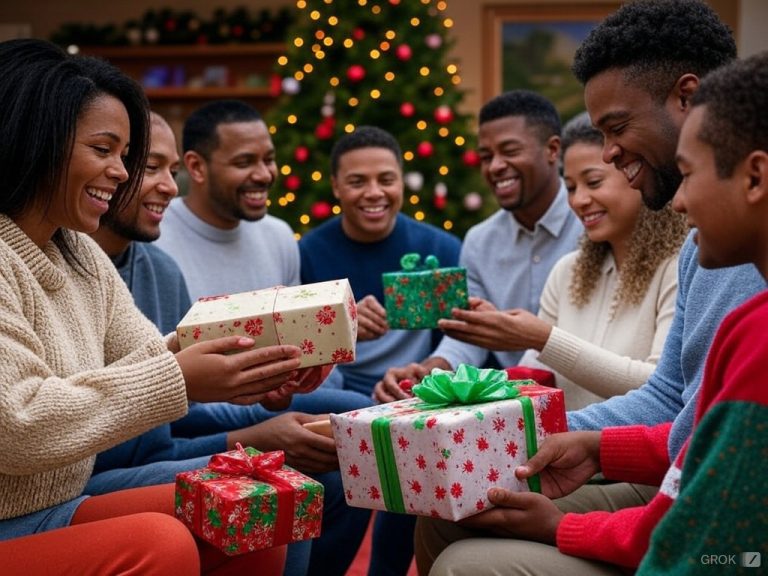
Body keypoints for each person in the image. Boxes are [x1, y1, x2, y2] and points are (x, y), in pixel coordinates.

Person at [414, 1, 765, 574]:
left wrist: (568, 523)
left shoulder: (738, 282)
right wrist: (572, 440)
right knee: (448, 513)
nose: (606, 154)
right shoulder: (702, 254)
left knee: (468, 562)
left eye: (617, 128)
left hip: (705, 538)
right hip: (671, 504)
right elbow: (679, 414)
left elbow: (705, 531)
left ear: (687, 96)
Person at [0, 38, 291, 575]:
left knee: (252, 507)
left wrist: (248, 369)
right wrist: (181, 376)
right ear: (37, 140)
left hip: (55, 507)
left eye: (126, 156)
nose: (122, 173)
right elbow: (17, 426)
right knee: (160, 543)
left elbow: (152, 355)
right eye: (104, 150)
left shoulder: (79, 251)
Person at [155, 99, 373, 576]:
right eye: (244, 162)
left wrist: (289, 384)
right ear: (196, 166)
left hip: (251, 398)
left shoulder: (276, 235)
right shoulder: (157, 236)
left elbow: (291, 341)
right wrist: (259, 421)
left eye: (268, 158)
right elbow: (168, 385)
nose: (264, 173)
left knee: (354, 423)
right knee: (325, 441)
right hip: (184, 413)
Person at [434, 112, 689, 410]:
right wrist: (453, 382)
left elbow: (661, 388)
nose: (579, 200)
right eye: (570, 187)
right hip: (565, 448)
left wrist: (542, 338)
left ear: (635, 175)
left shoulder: (679, 266)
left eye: (593, 182)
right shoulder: (567, 270)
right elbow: (533, 377)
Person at [299, 125, 462, 575]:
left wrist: (427, 373)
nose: (375, 192)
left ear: (402, 181)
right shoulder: (309, 253)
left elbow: (460, 333)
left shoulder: (439, 247)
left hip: (417, 388)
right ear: (336, 186)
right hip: (341, 389)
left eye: (386, 179)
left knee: (410, 451)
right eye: (357, 181)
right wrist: (343, 332)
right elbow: (302, 350)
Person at [639, 51, 768, 573]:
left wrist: (564, 526)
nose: (678, 202)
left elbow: (706, 553)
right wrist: (595, 446)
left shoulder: (757, 334)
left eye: (688, 175)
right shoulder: (735, 296)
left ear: (755, 177)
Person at [375, 90, 583, 403]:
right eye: (486, 157)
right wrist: (431, 369)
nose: (495, 166)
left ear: (553, 150)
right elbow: (470, 335)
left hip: (586, 394)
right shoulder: (479, 241)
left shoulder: (590, 222)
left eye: (509, 151)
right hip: (513, 403)